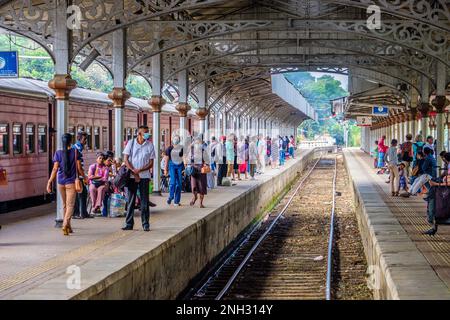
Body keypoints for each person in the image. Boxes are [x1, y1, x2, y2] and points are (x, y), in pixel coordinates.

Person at [46, 133, 83, 236]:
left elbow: (54, 169)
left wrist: (49, 182)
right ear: (71, 141)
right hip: (71, 182)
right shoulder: (75, 152)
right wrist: (85, 177)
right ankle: (65, 224)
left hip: (60, 182)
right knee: (70, 205)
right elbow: (79, 168)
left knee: (65, 205)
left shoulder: (58, 153)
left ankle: (68, 227)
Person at [122, 125, 155, 232]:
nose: (147, 134)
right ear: (139, 134)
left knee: (144, 201)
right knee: (130, 201)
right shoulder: (131, 143)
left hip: (144, 177)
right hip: (131, 177)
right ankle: (129, 223)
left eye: (148, 132)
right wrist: (133, 171)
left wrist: (139, 171)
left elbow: (151, 163)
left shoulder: (150, 145)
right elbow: (126, 159)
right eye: (145, 132)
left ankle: (145, 224)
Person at [72, 131, 91, 219]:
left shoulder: (77, 148)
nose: (86, 141)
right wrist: (85, 177)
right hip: (76, 176)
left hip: (77, 175)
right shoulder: (76, 149)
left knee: (82, 193)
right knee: (80, 194)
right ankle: (77, 213)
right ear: (79, 139)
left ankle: (83, 213)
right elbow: (79, 167)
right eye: (84, 139)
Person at [164, 135, 184, 206]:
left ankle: (176, 201)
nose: (176, 140)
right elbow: (166, 159)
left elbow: (183, 158)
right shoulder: (169, 149)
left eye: (177, 139)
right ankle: (171, 197)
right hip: (172, 165)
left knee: (179, 184)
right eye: (175, 139)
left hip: (179, 166)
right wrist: (165, 169)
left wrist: (184, 168)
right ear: (172, 140)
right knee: (173, 183)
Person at [189, 137, 208, 208]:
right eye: (196, 143)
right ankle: (195, 197)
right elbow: (187, 159)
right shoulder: (191, 151)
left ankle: (200, 203)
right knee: (194, 187)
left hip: (202, 170)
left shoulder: (203, 151)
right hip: (193, 170)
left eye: (199, 143)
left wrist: (206, 164)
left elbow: (207, 160)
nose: (197, 144)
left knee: (202, 187)